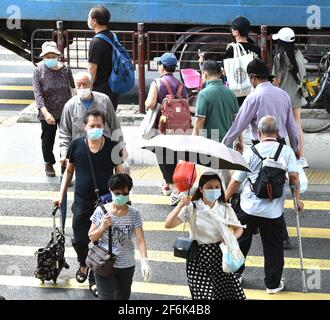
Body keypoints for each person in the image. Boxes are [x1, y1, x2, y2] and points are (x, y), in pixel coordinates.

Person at [222, 58, 300, 249]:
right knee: (276, 187)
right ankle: (281, 236)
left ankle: (248, 229)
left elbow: (238, 125)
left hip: (260, 149)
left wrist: (224, 145)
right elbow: (292, 125)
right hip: (281, 147)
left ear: (253, 77)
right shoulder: (283, 95)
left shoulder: (254, 97)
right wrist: (296, 148)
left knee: (255, 188)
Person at [225, 116, 304, 293]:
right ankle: (272, 284)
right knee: (273, 247)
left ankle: (236, 276)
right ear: (278, 132)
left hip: (248, 208)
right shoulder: (286, 151)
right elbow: (294, 178)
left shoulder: (250, 152)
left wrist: (224, 198)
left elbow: (236, 181)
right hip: (273, 212)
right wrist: (297, 199)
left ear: (258, 133)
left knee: (241, 242)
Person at [54, 109, 125, 297]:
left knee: (99, 241)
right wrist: (60, 195)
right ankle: (83, 263)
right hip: (81, 203)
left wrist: (123, 197)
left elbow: (120, 173)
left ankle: (94, 278)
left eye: (99, 126)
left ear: (104, 127)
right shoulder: (76, 146)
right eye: (91, 126)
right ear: (84, 127)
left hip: (104, 205)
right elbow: (68, 172)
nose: (95, 129)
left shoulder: (112, 147)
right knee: (80, 239)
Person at [165, 172, 246, 300]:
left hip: (220, 256)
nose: (213, 190)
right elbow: (168, 224)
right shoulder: (192, 207)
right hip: (198, 259)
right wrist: (180, 205)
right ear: (201, 189)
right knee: (206, 296)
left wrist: (230, 238)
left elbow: (239, 229)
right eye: (209, 187)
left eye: (216, 187)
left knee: (227, 294)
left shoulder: (224, 208)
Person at [89, 173, 151, 300]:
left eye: (124, 193)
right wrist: (102, 227)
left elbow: (140, 240)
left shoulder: (134, 214)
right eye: (117, 193)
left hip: (126, 265)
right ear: (110, 190)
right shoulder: (101, 211)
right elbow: (92, 237)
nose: (121, 197)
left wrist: (145, 261)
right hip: (103, 262)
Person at [145, 52, 188, 205]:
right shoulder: (181, 85)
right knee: (174, 155)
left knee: (163, 156)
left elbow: (149, 104)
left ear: (162, 66)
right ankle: (167, 185)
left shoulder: (157, 83)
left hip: (162, 126)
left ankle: (174, 189)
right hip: (179, 127)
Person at [59, 71, 126, 167]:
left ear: (91, 84)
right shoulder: (70, 105)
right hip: (81, 150)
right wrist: (64, 153)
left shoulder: (104, 100)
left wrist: (120, 148)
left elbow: (115, 126)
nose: (82, 88)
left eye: (85, 84)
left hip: (104, 148)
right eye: (78, 85)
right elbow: (64, 133)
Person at [193, 60, 241, 188]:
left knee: (210, 177)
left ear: (205, 74)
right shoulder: (230, 93)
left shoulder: (204, 94)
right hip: (227, 140)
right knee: (224, 176)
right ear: (220, 73)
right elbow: (237, 121)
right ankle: (225, 202)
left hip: (209, 140)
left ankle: (215, 204)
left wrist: (194, 139)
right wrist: (240, 141)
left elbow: (200, 120)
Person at [33, 41, 74, 177]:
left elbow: (73, 88)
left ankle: (65, 167)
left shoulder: (66, 69)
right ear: (43, 57)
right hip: (47, 111)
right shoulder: (38, 71)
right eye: (47, 56)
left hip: (65, 111)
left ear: (57, 56)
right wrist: (45, 113)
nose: (50, 59)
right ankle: (48, 163)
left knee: (67, 140)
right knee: (47, 140)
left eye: (53, 56)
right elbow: (38, 94)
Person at [272, 27, 308, 168]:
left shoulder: (280, 57)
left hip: (283, 96)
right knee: (297, 126)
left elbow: (277, 80)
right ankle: (301, 157)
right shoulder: (298, 54)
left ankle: (281, 157)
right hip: (297, 93)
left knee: (280, 127)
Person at [88, 5, 120, 111]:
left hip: (100, 88)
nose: (88, 20)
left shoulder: (96, 42)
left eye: (89, 18)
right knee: (110, 119)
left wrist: (89, 86)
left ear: (94, 21)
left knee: (98, 120)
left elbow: (93, 67)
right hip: (114, 85)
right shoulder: (112, 36)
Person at [224, 16, 261, 106]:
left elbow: (226, 71)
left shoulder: (232, 49)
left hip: (238, 89)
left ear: (236, 32)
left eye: (232, 29)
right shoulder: (255, 48)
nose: (231, 31)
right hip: (253, 89)